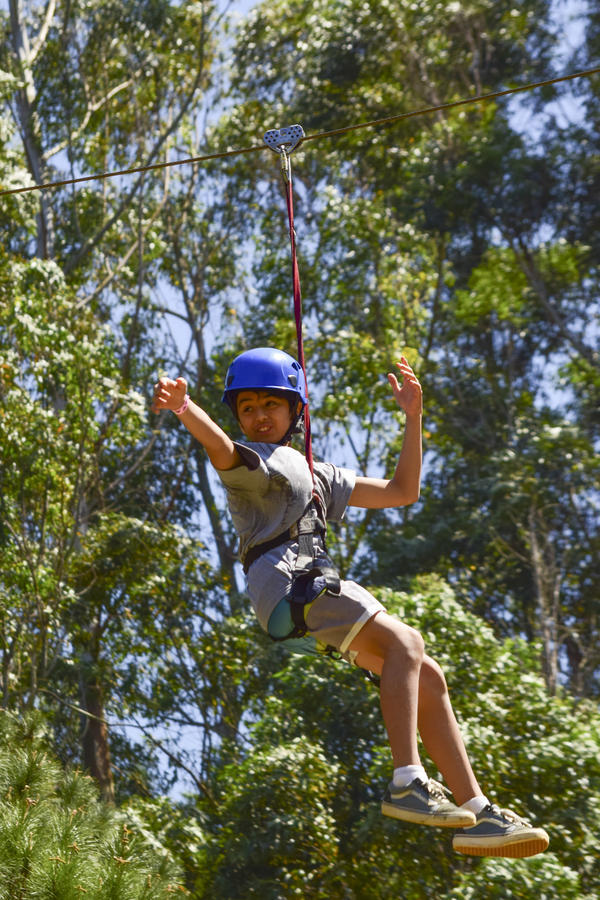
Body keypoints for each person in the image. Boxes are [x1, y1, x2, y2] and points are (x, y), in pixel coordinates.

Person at [152, 347, 549, 858]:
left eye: (270, 404)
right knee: (406, 641)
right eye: (247, 407)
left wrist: (414, 417)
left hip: (304, 595)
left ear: (296, 411)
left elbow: (403, 491)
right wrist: (187, 410)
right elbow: (221, 449)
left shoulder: (317, 473)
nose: (258, 416)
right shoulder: (256, 465)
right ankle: (407, 779)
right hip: (291, 583)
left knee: (425, 675)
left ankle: (477, 812)